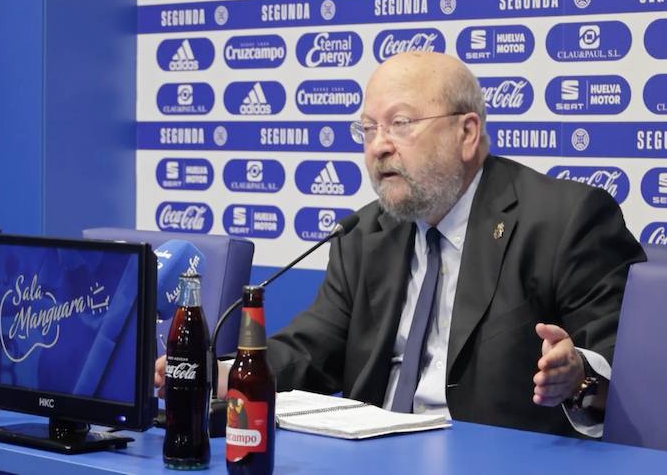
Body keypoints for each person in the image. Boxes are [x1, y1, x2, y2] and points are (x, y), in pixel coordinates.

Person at [155, 51, 645, 437]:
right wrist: (223, 374)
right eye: (368, 128)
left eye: (400, 124)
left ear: (467, 133)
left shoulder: (563, 220)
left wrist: (578, 376)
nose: (379, 145)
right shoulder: (365, 235)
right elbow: (311, 352)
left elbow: (625, 372)